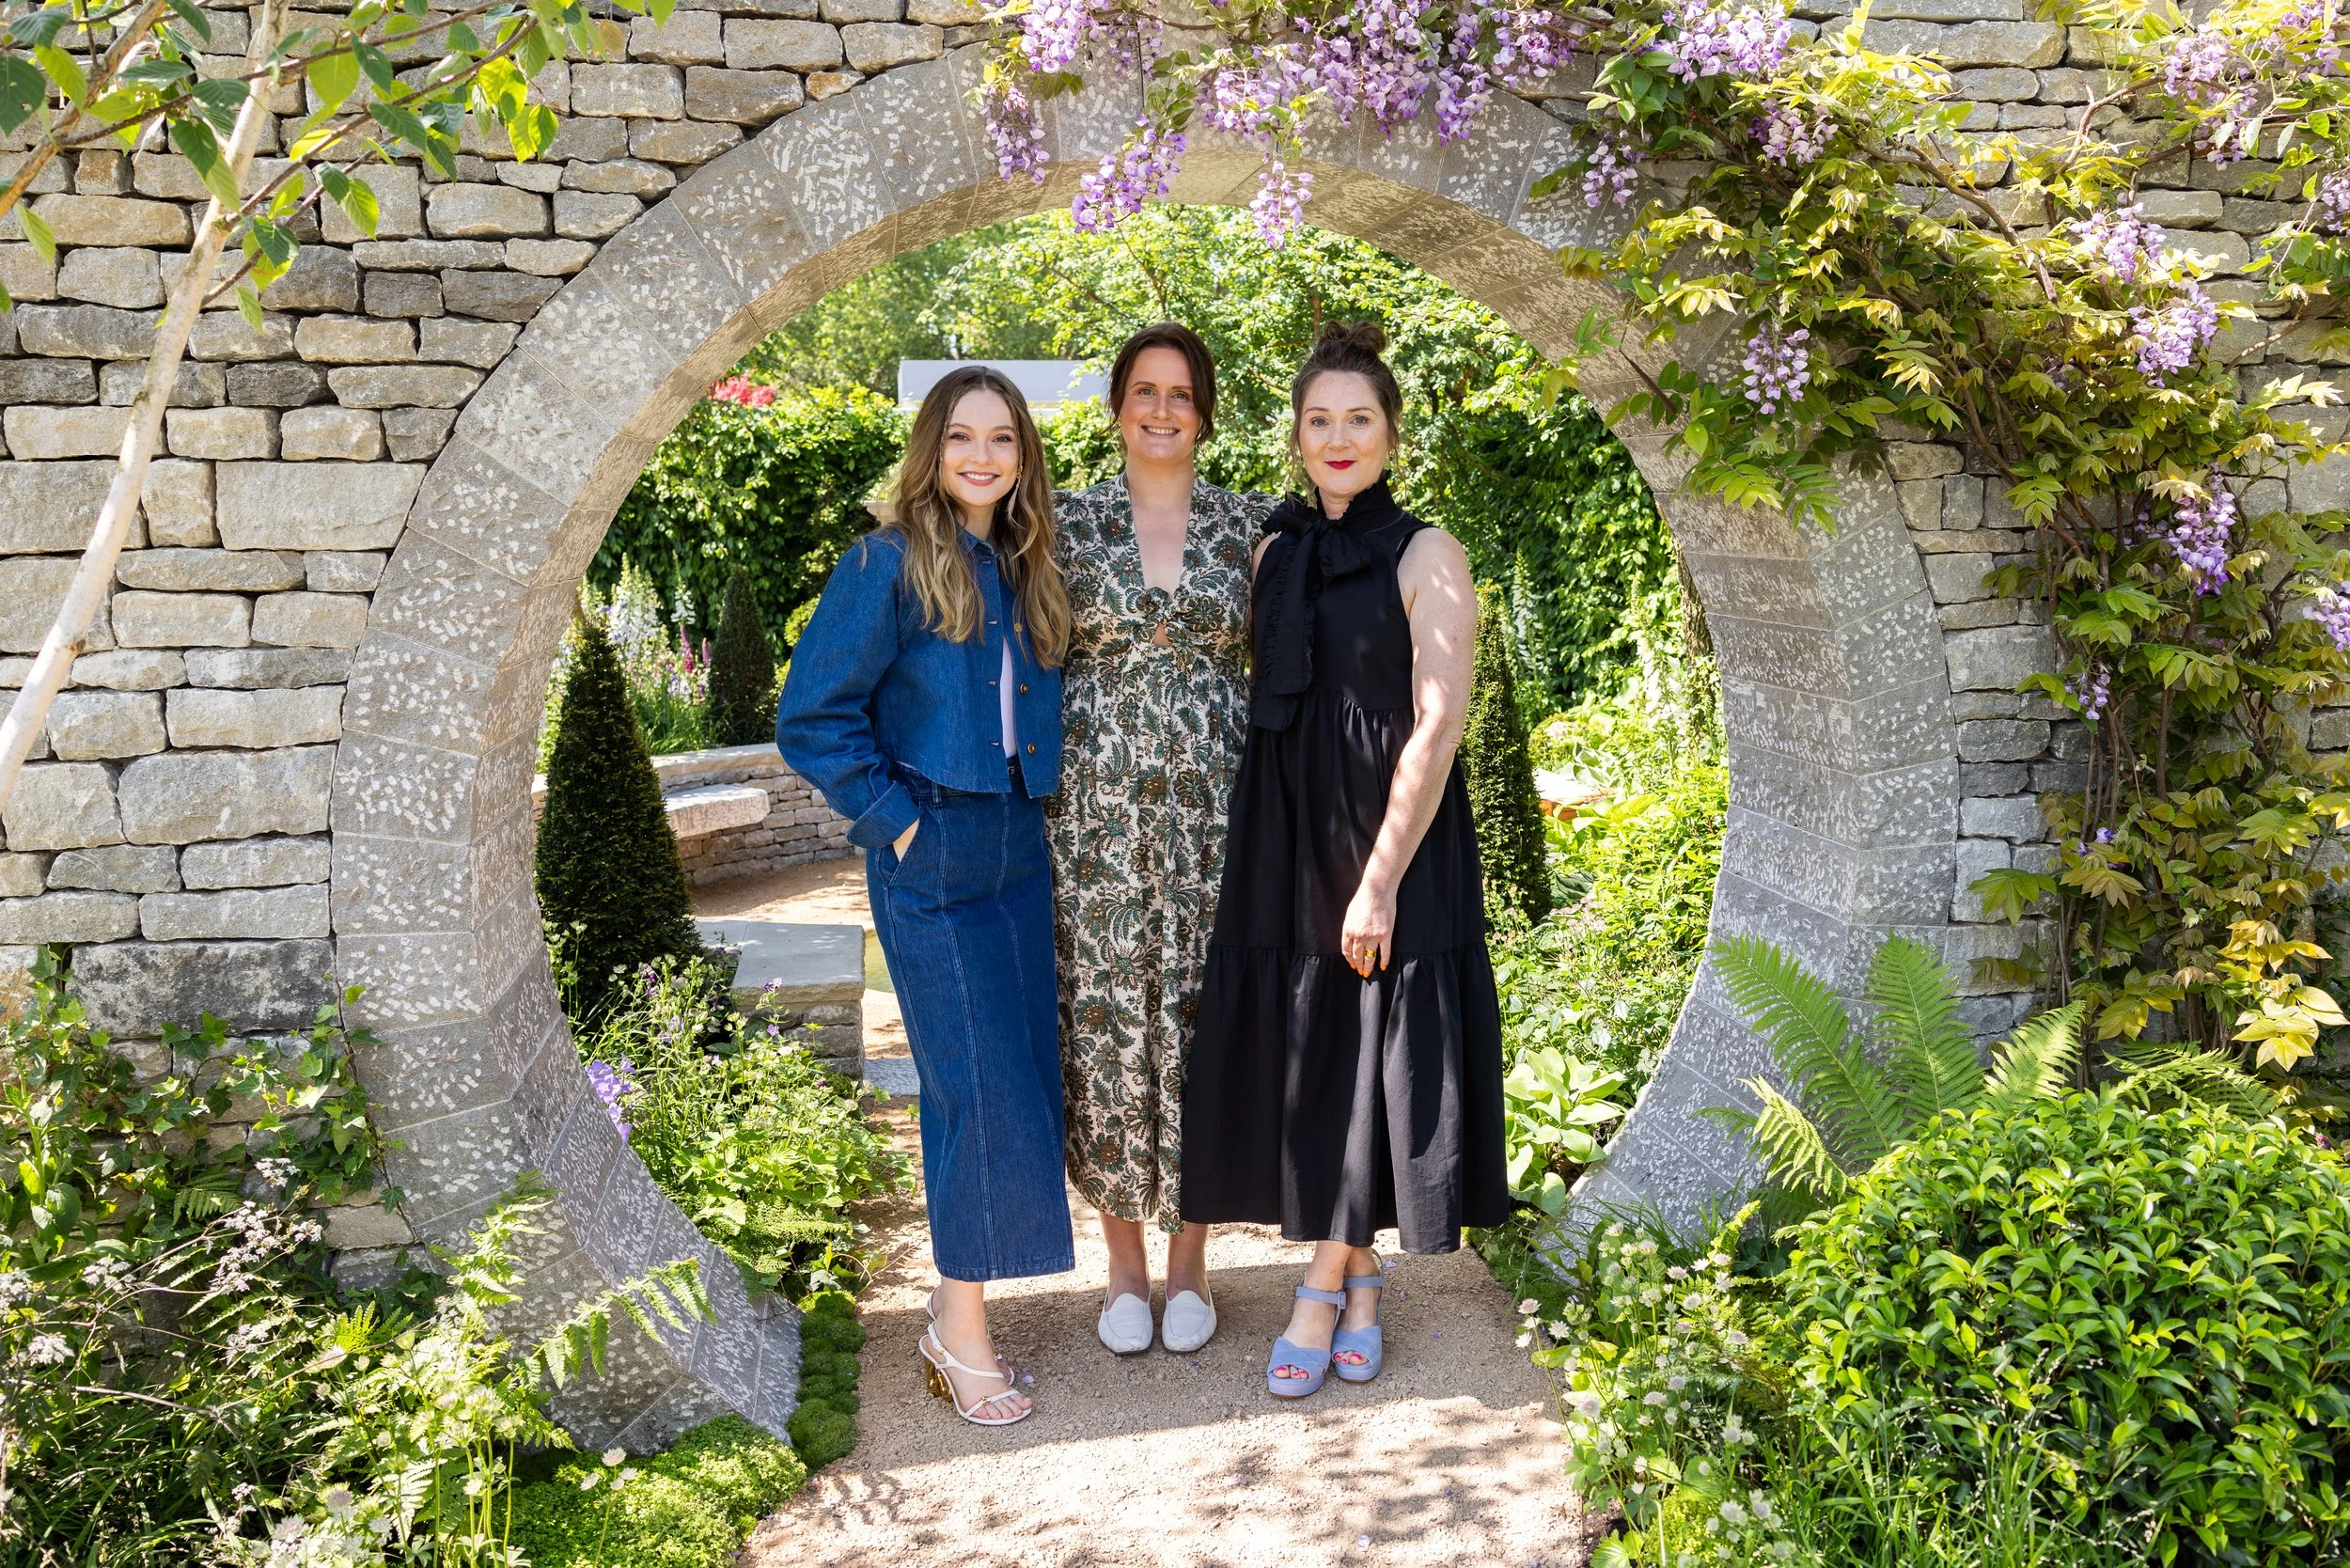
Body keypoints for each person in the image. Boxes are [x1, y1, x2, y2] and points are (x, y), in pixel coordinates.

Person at [1181, 320, 1509, 1399]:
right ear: (1294, 436)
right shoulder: (1272, 551)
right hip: (1287, 828)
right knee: (1320, 1047)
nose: (1337, 437)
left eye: (1358, 419)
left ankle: (1320, 1288)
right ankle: (1361, 1279)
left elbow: (1438, 723)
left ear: (1391, 435)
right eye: (1318, 419)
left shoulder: (1428, 554)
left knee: (1371, 1038)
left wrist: (1378, 879)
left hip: (1390, 835)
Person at [776, 366, 1075, 1427]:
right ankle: (960, 1336)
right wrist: (895, 820)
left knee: (1018, 1075)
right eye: (961, 437)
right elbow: (812, 716)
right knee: (972, 1086)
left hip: (1018, 843)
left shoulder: (1029, 564)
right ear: (931, 450)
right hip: (931, 849)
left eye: (1002, 438)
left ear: (1023, 455)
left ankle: (959, 1310)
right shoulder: (885, 562)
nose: (981, 457)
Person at [1047, 323, 1261, 1357]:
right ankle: (1123, 1265)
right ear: (1117, 406)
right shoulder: (1063, 524)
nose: (1162, 409)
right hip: (1092, 826)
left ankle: (1192, 1263)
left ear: (1204, 411)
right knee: (1105, 1027)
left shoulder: (1252, 526)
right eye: (1144, 390)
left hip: (1220, 816)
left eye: (1181, 392)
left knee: (1202, 1023)